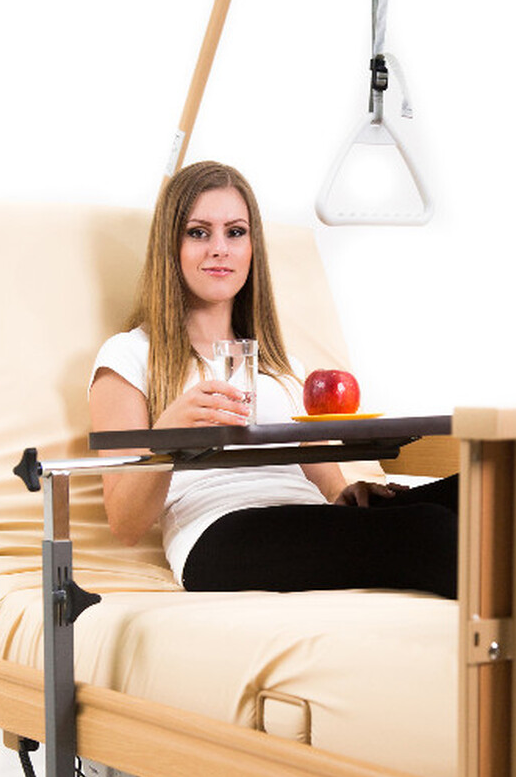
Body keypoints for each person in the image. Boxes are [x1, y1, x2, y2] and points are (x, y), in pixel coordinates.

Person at [89, 161, 458, 598]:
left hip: (304, 516)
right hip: (219, 534)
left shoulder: (282, 368)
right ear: (171, 246)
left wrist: (351, 494)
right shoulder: (129, 355)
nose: (220, 249)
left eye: (235, 232)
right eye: (198, 232)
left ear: (252, 248)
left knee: (480, 493)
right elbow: (126, 524)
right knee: (429, 529)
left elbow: (329, 486)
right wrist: (168, 437)